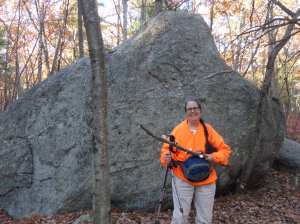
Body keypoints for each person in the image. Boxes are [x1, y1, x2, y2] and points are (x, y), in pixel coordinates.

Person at [160, 99, 231, 224]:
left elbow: (225, 151)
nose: (192, 111)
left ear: (200, 111)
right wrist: (167, 157)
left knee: (205, 218)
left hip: (206, 180)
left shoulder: (208, 130)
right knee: (180, 217)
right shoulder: (178, 130)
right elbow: (167, 149)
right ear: (186, 112)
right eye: (189, 109)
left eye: (195, 108)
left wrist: (212, 156)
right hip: (182, 178)